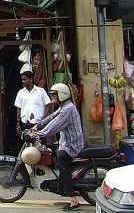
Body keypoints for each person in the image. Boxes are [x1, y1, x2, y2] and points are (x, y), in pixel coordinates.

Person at [33, 83, 84, 211]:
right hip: (66, 142)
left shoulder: (68, 109)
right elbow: (52, 117)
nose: (52, 98)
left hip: (72, 145)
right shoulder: (64, 107)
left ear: (62, 95)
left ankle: (73, 201)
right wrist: (38, 126)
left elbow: (54, 125)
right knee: (53, 151)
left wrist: (39, 133)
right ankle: (61, 183)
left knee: (62, 161)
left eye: (54, 95)